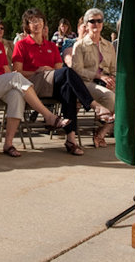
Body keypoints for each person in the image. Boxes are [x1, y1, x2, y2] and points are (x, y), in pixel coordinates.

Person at [0, 3, 69, 158]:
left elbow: (7, 71)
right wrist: (5, 79)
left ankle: (8, 144)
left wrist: (7, 79)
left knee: (16, 94)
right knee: (15, 77)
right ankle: (48, 116)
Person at [12, 8, 95, 156]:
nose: (36, 24)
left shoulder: (51, 46)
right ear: (27, 26)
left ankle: (71, 140)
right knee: (68, 73)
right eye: (32, 22)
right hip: (32, 84)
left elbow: (58, 70)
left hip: (51, 82)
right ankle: (92, 104)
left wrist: (48, 70)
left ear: (44, 23)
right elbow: (17, 72)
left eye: (39, 20)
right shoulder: (21, 45)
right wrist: (38, 71)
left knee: (68, 89)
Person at [70, 8, 117, 147]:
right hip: (87, 83)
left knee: (129, 98)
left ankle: (101, 132)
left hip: (106, 82)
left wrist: (112, 80)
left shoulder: (109, 45)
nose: (96, 24)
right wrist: (98, 76)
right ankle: (101, 130)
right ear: (86, 24)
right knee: (109, 96)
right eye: (92, 21)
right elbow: (76, 69)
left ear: (102, 23)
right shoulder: (79, 45)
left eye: (99, 21)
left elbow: (114, 68)